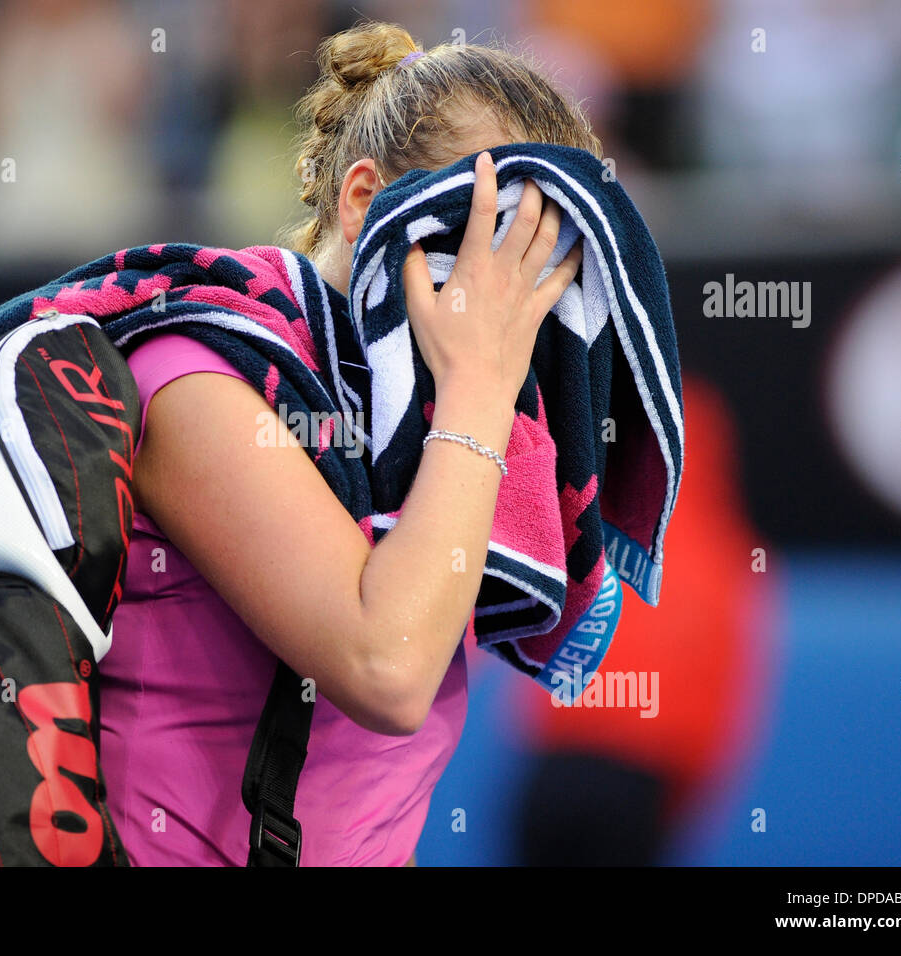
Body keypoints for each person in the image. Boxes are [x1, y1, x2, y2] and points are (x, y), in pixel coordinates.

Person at [101, 21, 598, 866]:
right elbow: (388, 671)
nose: (511, 283)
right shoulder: (195, 374)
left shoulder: (435, 418)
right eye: (490, 225)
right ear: (366, 200)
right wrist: (479, 393)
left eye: (547, 245)